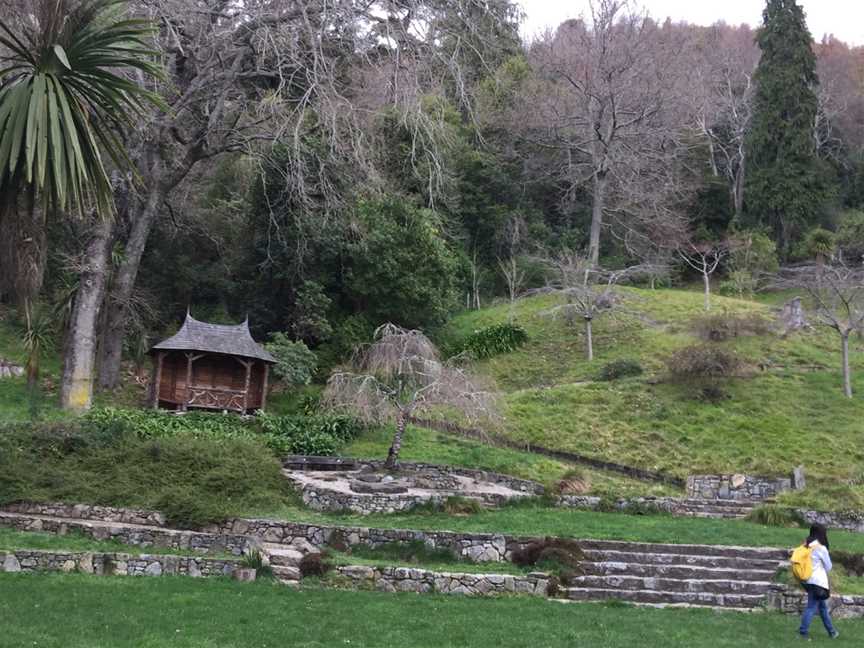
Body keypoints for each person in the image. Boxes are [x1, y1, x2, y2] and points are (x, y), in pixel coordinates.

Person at [799, 524, 840, 640]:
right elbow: (829, 567)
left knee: (822, 608)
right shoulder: (821, 548)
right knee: (811, 607)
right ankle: (803, 632)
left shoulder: (806, 545)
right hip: (817, 582)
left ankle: (832, 632)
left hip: (806, 580)